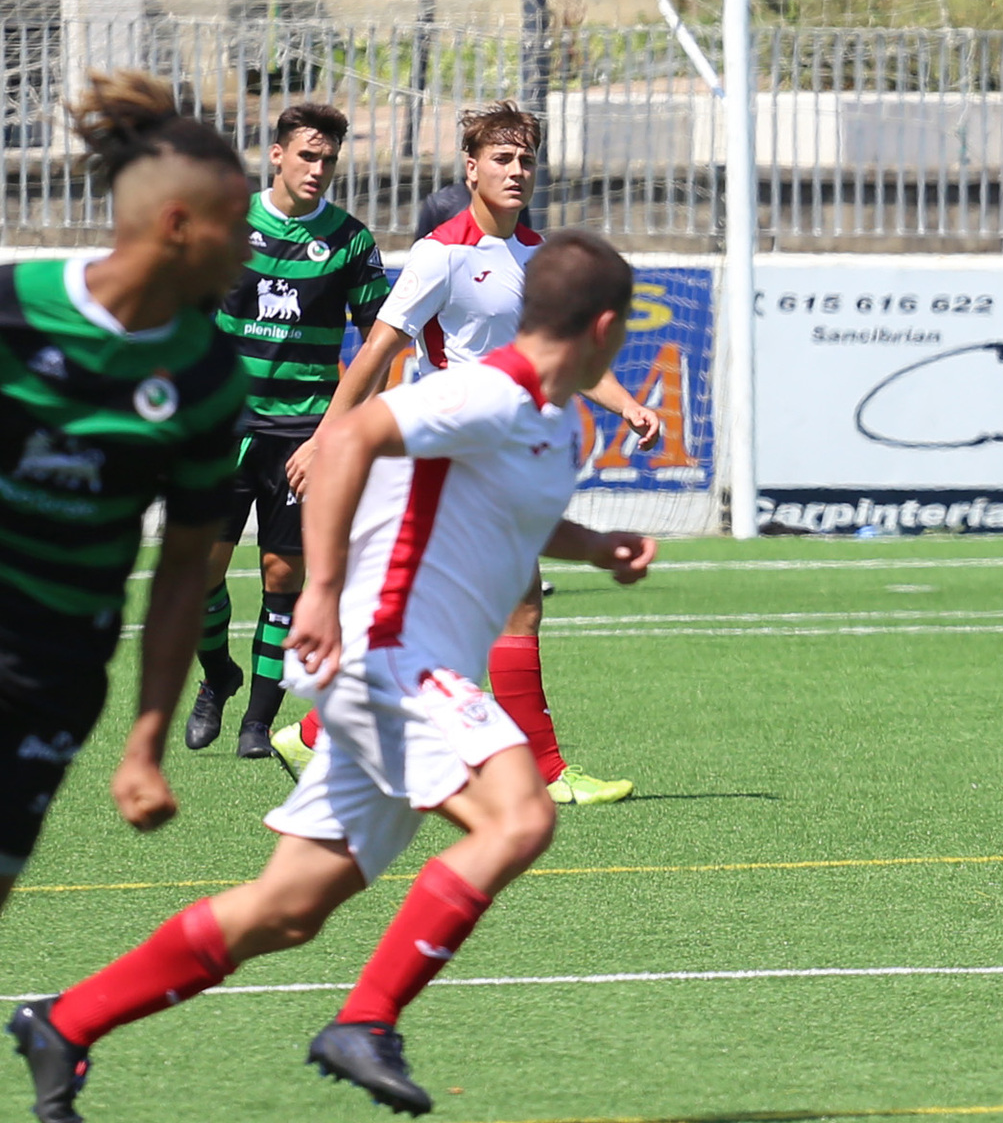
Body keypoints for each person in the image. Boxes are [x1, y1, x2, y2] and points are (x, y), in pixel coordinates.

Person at [9, 231, 660, 1120]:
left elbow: (515, 516)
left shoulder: (543, 419)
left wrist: (598, 546)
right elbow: (351, 437)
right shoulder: (484, 390)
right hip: (395, 658)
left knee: (286, 910)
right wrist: (320, 590)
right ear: (607, 328)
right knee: (519, 817)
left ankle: (66, 1022)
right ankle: (367, 1022)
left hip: (404, 675)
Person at [269, 101, 659, 806]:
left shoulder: (537, 254)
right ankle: (542, 772)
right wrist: (327, 436)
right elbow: (378, 350)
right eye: (502, 160)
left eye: (526, 160)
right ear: (471, 168)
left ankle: (317, 736)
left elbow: (558, 357)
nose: (517, 172)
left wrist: (625, 403)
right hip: (449, 453)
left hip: (496, 453)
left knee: (483, 611)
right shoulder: (441, 252)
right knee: (503, 608)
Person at [0, 70, 249, 925]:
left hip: (56, 674)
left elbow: (183, 573)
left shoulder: (209, 377)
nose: (249, 250)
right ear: (179, 227)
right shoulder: (13, 313)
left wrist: (146, 742)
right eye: (238, 229)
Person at [184, 103, 390, 760]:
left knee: (282, 574)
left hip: (304, 434)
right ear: (276, 154)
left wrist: (343, 431)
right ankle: (219, 676)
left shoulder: (352, 241)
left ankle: (257, 721)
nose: (318, 169)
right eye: (307, 155)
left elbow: (380, 342)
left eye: (328, 159)